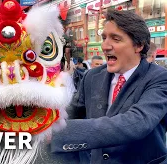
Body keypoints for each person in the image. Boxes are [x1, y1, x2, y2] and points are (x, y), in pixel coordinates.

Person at [50, 9, 167, 163]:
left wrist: (56, 133)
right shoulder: (91, 77)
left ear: (138, 45)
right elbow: (71, 114)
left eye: (115, 39)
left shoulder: (159, 78)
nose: (105, 46)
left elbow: (137, 122)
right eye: (104, 38)